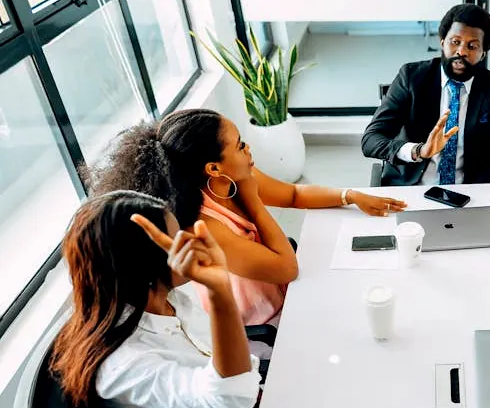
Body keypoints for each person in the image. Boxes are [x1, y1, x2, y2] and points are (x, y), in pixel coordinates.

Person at [88, 108, 406, 327]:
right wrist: (253, 202)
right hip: (265, 322)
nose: (247, 148)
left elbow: (294, 194)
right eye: (239, 145)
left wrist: (349, 195)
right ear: (213, 168)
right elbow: (287, 268)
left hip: (290, 294)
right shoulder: (205, 225)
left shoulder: (234, 176)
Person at [50, 191, 262, 408]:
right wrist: (220, 292)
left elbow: (219, 367)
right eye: (176, 238)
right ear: (146, 263)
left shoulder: (166, 296)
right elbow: (230, 398)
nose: (189, 241)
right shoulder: (123, 362)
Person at [361, 3, 490, 186]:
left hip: (466, 192)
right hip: (410, 187)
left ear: (483, 54)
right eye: (455, 42)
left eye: (472, 46)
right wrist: (419, 150)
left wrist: (472, 194)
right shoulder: (412, 78)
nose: (461, 52)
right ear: (442, 42)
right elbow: (371, 139)